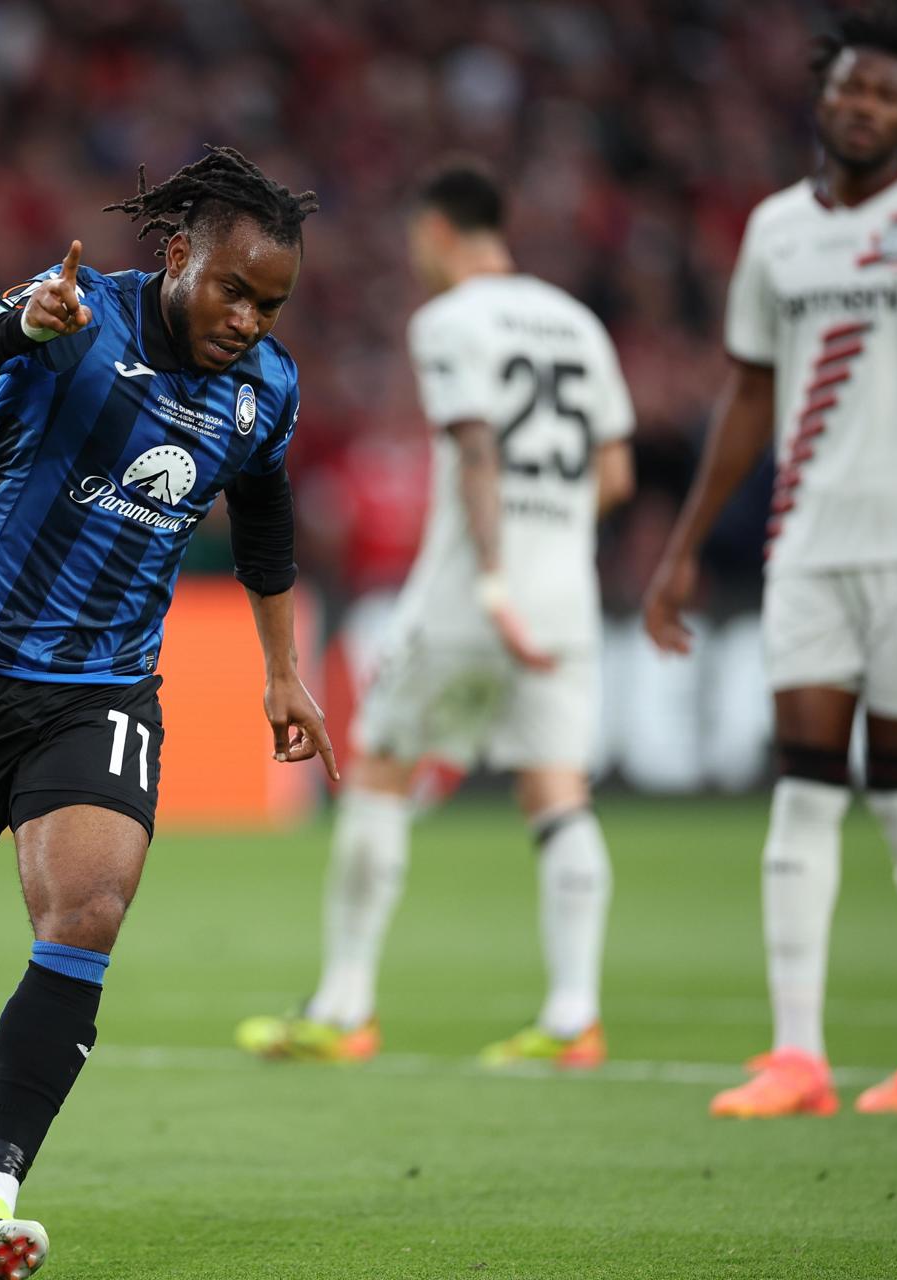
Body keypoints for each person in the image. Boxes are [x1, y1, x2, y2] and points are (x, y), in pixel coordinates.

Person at [0, 146, 336, 1277]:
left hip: (103, 682)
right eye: (234, 290)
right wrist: (17, 328)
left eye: (271, 303)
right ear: (177, 256)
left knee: (89, 911)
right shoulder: (74, 314)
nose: (250, 319)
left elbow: (262, 519)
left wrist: (282, 668)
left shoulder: (267, 391)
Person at [641, 8, 897, 1117]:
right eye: (852, 87)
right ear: (825, 94)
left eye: (889, 97)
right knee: (803, 785)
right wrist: (679, 550)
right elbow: (751, 392)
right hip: (806, 543)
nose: (864, 107)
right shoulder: (775, 232)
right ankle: (796, 1055)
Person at [237, 163, 635, 1069]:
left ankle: (344, 1007)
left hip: (469, 590)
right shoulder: (580, 324)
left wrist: (493, 572)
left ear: (442, 234)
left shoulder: (450, 321)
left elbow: (477, 444)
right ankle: (574, 1020)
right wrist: (545, 549)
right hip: (564, 596)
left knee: (380, 765)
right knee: (558, 793)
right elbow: (615, 478)